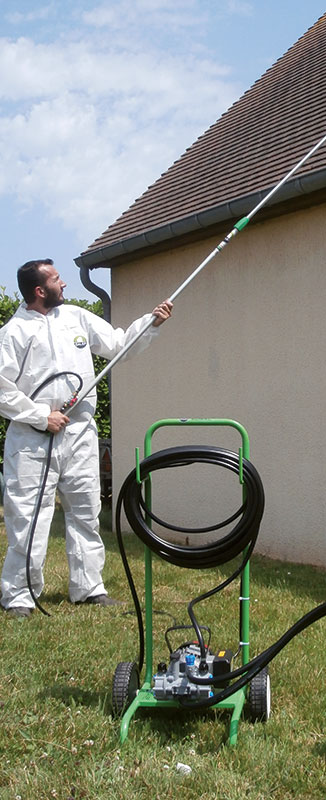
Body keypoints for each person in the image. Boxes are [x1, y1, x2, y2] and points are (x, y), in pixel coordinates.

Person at [0, 259, 173, 619]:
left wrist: (151, 322)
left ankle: (88, 587)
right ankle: (19, 595)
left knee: (85, 510)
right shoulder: (14, 333)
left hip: (79, 432)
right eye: (56, 279)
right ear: (38, 290)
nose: (64, 284)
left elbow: (118, 344)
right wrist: (40, 416)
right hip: (33, 440)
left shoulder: (77, 318)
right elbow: (2, 390)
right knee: (29, 516)